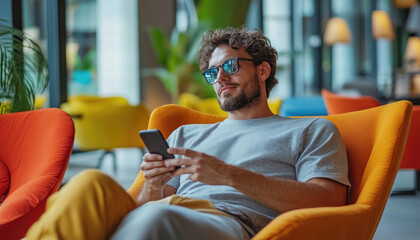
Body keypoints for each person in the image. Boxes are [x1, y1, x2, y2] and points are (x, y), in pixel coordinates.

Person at [25, 27, 350, 240]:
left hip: (229, 221)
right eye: (212, 72)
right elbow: (145, 203)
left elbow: (330, 199)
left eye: (231, 66)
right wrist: (152, 184)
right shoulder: (186, 135)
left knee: (153, 222)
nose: (220, 77)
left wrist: (226, 175)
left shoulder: (310, 129)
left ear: (263, 70)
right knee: (88, 183)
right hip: (167, 208)